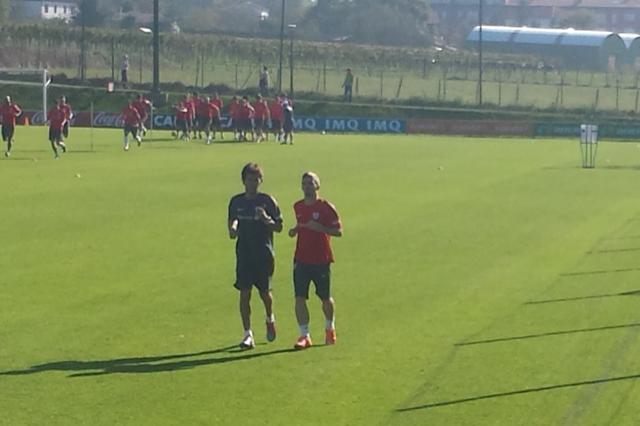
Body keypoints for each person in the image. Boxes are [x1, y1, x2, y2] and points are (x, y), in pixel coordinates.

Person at [228, 163, 283, 350]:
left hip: (264, 253)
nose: (253, 183)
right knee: (244, 293)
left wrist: (266, 219)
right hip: (244, 254)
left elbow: (279, 227)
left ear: (261, 180)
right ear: (243, 181)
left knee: (265, 293)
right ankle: (247, 334)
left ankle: (269, 317)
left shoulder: (268, 201)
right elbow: (232, 223)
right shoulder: (236, 201)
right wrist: (233, 228)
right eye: (249, 179)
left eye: (256, 179)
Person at [288, 172, 342, 349]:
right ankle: (304, 335)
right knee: (299, 297)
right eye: (304, 183)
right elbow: (302, 224)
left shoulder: (326, 207)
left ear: (317, 185)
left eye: (310, 183)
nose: (307, 187)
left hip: (321, 259)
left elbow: (338, 231)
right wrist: (296, 229)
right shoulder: (298, 206)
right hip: (301, 258)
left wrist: (320, 228)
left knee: (325, 298)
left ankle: (329, 328)